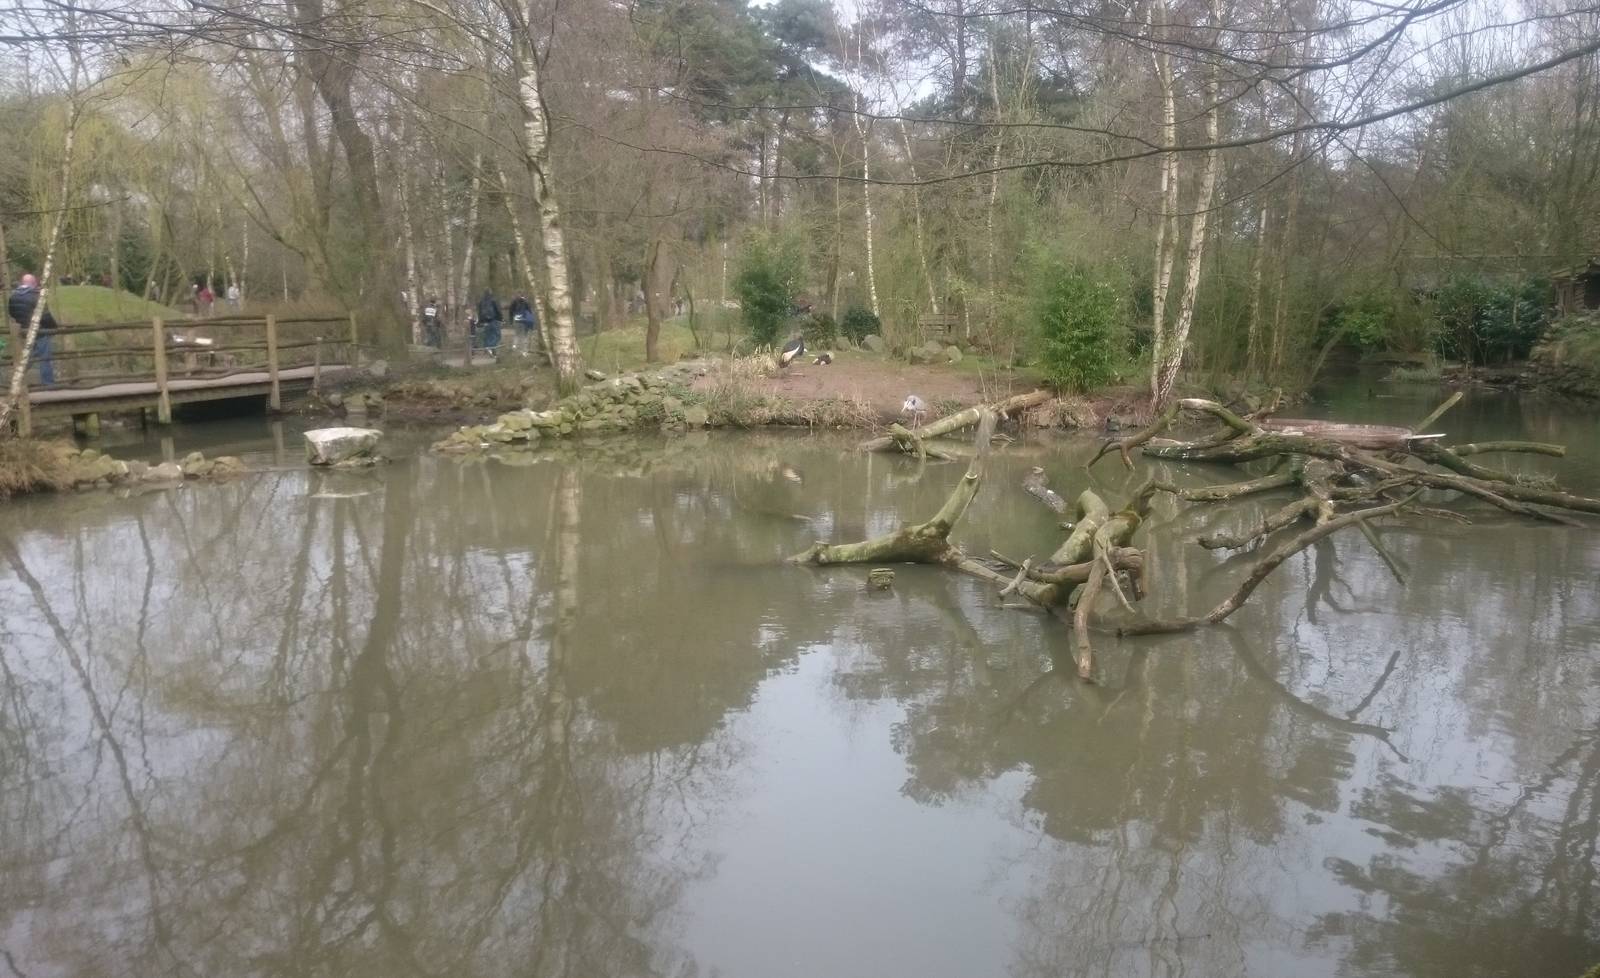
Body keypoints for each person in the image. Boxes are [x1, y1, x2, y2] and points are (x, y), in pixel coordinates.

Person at [7, 273, 58, 385]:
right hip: (39, 330)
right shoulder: (36, 296)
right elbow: (45, 315)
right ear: (33, 283)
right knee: (44, 357)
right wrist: (54, 327)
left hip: (24, 330)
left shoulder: (13, 296)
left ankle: (17, 378)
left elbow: (11, 313)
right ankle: (48, 383)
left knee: (29, 355)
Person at [476, 288, 502, 357]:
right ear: (490, 293)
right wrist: (501, 319)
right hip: (493, 320)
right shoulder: (493, 300)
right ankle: (490, 347)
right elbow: (498, 311)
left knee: (488, 336)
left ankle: (491, 351)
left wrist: (480, 321)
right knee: (497, 336)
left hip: (484, 322)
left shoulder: (481, 302)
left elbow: (479, 312)